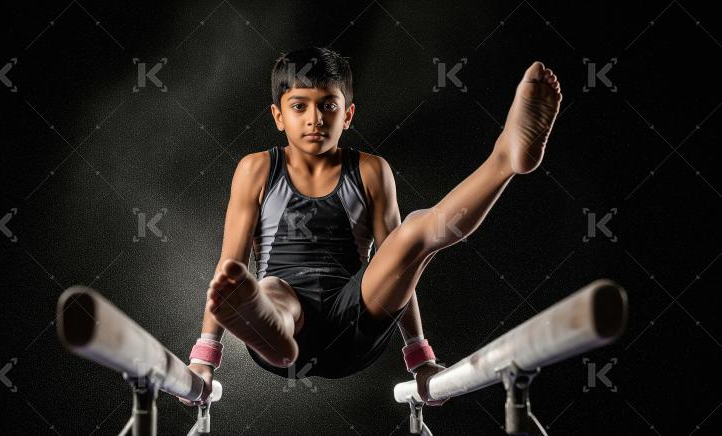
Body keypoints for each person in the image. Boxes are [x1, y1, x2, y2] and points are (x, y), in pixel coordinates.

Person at [178, 46, 562, 408]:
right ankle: (269, 328)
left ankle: (505, 159)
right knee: (269, 288)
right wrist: (204, 359)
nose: (315, 118)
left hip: (356, 320)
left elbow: (401, 270)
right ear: (279, 116)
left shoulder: (371, 171)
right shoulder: (256, 169)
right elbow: (230, 265)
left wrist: (420, 358)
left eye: (328, 105)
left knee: (413, 232)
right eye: (300, 106)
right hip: (284, 311)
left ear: (347, 114)